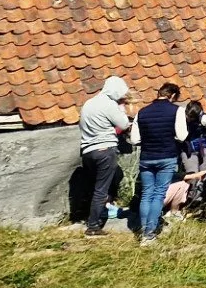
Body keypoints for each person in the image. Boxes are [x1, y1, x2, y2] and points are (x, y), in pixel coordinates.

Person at [128, 83, 188, 245]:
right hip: (166, 156)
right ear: (173, 96)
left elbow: (134, 139)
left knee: (147, 193)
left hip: (147, 157)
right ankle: (149, 233)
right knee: (159, 194)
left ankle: (143, 229)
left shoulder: (142, 112)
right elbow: (182, 136)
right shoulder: (177, 111)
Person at [75, 76, 132, 237]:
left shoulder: (89, 103)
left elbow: (81, 125)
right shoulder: (109, 104)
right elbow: (123, 124)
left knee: (95, 187)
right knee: (102, 189)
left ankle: (93, 216)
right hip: (105, 150)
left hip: (87, 151)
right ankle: (93, 225)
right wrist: (121, 108)